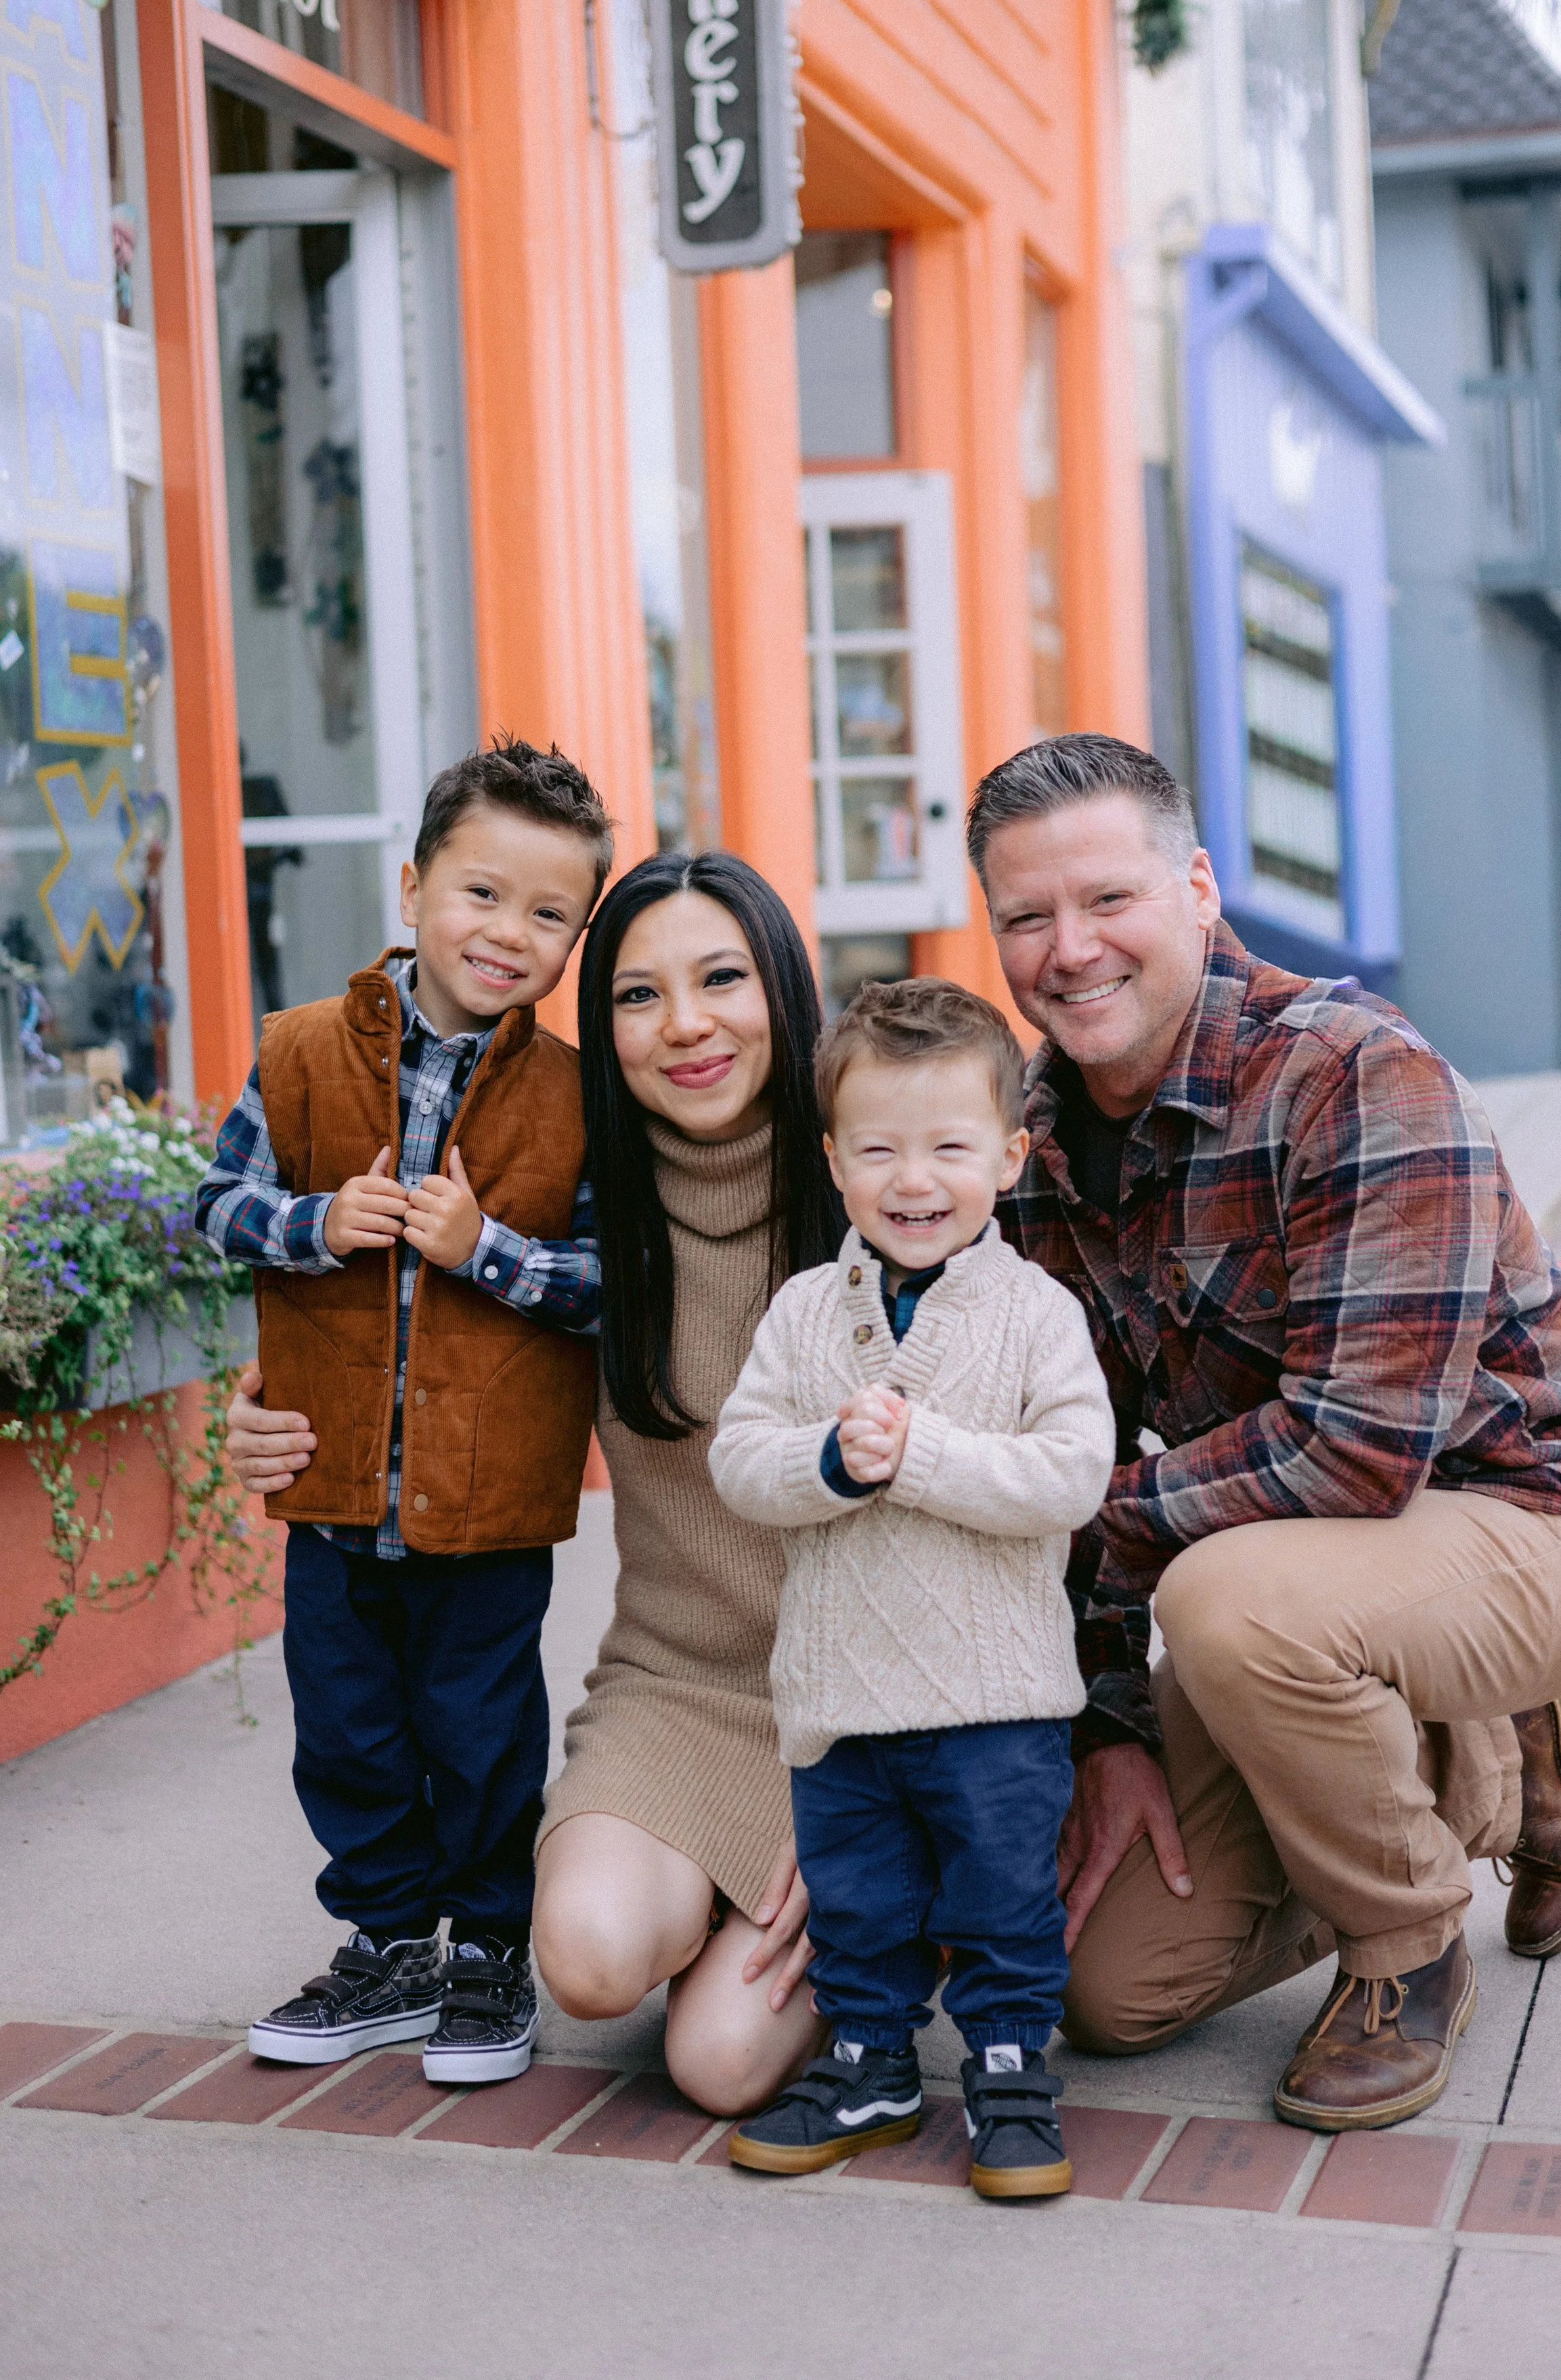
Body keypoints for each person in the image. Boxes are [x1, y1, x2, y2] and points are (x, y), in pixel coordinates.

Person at [969, 732, 1561, 2131]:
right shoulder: (1024, 1149)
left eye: (1107, 898)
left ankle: (1405, 1944)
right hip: (1315, 1569)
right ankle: (1473, 1759)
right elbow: (1070, 1439)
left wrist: (1093, 1506)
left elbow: (1351, 1452)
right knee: (1102, 1994)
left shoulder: (1352, 1072)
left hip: (1540, 1516)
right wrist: (1105, 1721)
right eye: (1025, 916)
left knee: (1226, 1600)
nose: (1068, 949)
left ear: (1198, 889)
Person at [223, 851, 845, 2116]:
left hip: (868, 1701)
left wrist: (874, 1800)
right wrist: (273, 1418)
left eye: (722, 977)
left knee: (720, 2066)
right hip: (678, 1692)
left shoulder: (878, 1183)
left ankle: (878, 1892)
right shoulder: (578, 1215)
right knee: (591, 1959)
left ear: (782, 982)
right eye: (635, 993)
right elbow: (420, 1347)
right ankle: (704, 1893)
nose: (685, 1025)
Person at [196, 739, 608, 2088]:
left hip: (490, 1498)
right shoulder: (300, 1050)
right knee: (351, 1728)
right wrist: (316, 1221)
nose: (511, 934)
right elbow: (214, 1210)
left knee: (482, 1731)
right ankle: (387, 1946)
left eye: (551, 916)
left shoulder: (575, 1098)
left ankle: (490, 1952)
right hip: (333, 1488)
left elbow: (607, 1285)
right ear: (413, 886)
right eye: (482, 894)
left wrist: (486, 1247)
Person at [709, 979, 1114, 2199]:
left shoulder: (1038, 1313)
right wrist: (831, 1459)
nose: (914, 1178)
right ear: (833, 1161)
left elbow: (1073, 1473)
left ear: (1010, 1151)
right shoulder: (800, 1314)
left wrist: (923, 1456)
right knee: (860, 1901)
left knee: (1001, 1897)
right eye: (878, 1148)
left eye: (948, 1146)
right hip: (842, 1695)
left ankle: (1005, 2065)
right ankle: (871, 2057)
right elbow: (739, 1458)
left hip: (995, 1698)